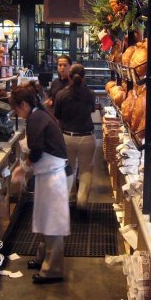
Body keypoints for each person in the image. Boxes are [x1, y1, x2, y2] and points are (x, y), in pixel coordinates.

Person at [10, 82, 70, 284]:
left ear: (24, 105)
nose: (17, 114)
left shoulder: (36, 118)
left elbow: (36, 151)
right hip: (48, 175)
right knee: (45, 219)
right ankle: (43, 258)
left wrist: (23, 169)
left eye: (17, 109)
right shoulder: (38, 115)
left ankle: (52, 270)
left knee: (52, 224)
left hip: (53, 177)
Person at [54, 64, 97, 216]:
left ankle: (70, 198)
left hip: (67, 137)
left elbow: (57, 117)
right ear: (84, 77)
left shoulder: (61, 95)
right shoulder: (90, 94)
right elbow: (91, 110)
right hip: (87, 137)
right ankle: (82, 200)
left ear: (69, 77)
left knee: (69, 169)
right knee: (86, 169)